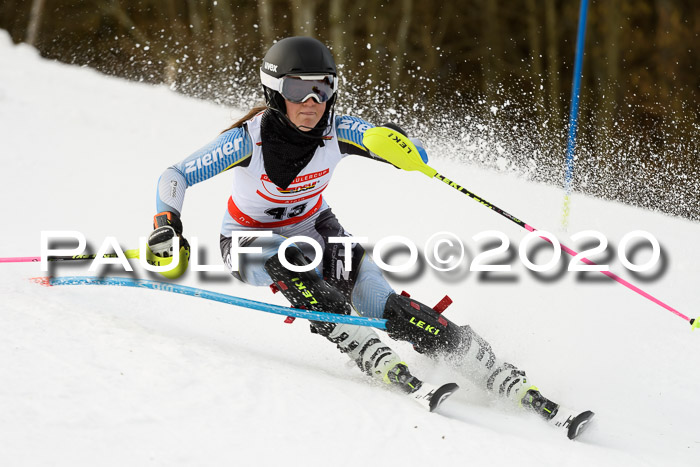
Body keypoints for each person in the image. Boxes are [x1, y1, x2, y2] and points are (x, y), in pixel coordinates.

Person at [148, 36, 592, 437]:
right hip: (248, 241)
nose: (311, 101)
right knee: (290, 265)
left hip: (317, 230)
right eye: (298, 90)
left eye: (321, 89)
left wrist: (400, 148)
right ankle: (362, 346)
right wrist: (166, 222)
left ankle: (491, 368)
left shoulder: (337, 129)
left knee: (389, 306)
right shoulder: (248, 141)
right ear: (274, 93)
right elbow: (177, 174)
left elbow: (396, 146)